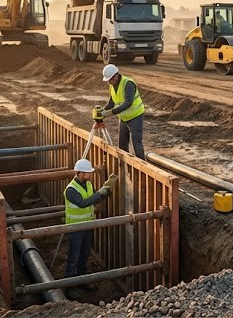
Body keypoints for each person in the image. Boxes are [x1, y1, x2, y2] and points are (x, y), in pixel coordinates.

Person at [63, 159, 117, 297]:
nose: (90, 174)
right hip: (75, 228)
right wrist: (100, 192)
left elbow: (94, 199)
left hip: (87, 224)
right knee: (73, 256)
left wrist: (106, 192)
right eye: (87, 173)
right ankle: (69, 286)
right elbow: (83, 203)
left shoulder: (87, 184)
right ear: (80, 173)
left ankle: (82, 279)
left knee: (84, 253)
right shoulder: (71, 189)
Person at [100, 64, 146, 160]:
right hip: (124, 118)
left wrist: (111, 113)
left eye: (110, 80)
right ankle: (126, 169)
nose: (109, 82)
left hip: (135, 117)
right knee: (122, 145)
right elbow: (112, 102)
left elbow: (128, 103)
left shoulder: (128, 83)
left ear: (116, 75)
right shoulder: (112, 86)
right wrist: (103, 111)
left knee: (136, 143)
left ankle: (143, 168)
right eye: (108, 80)